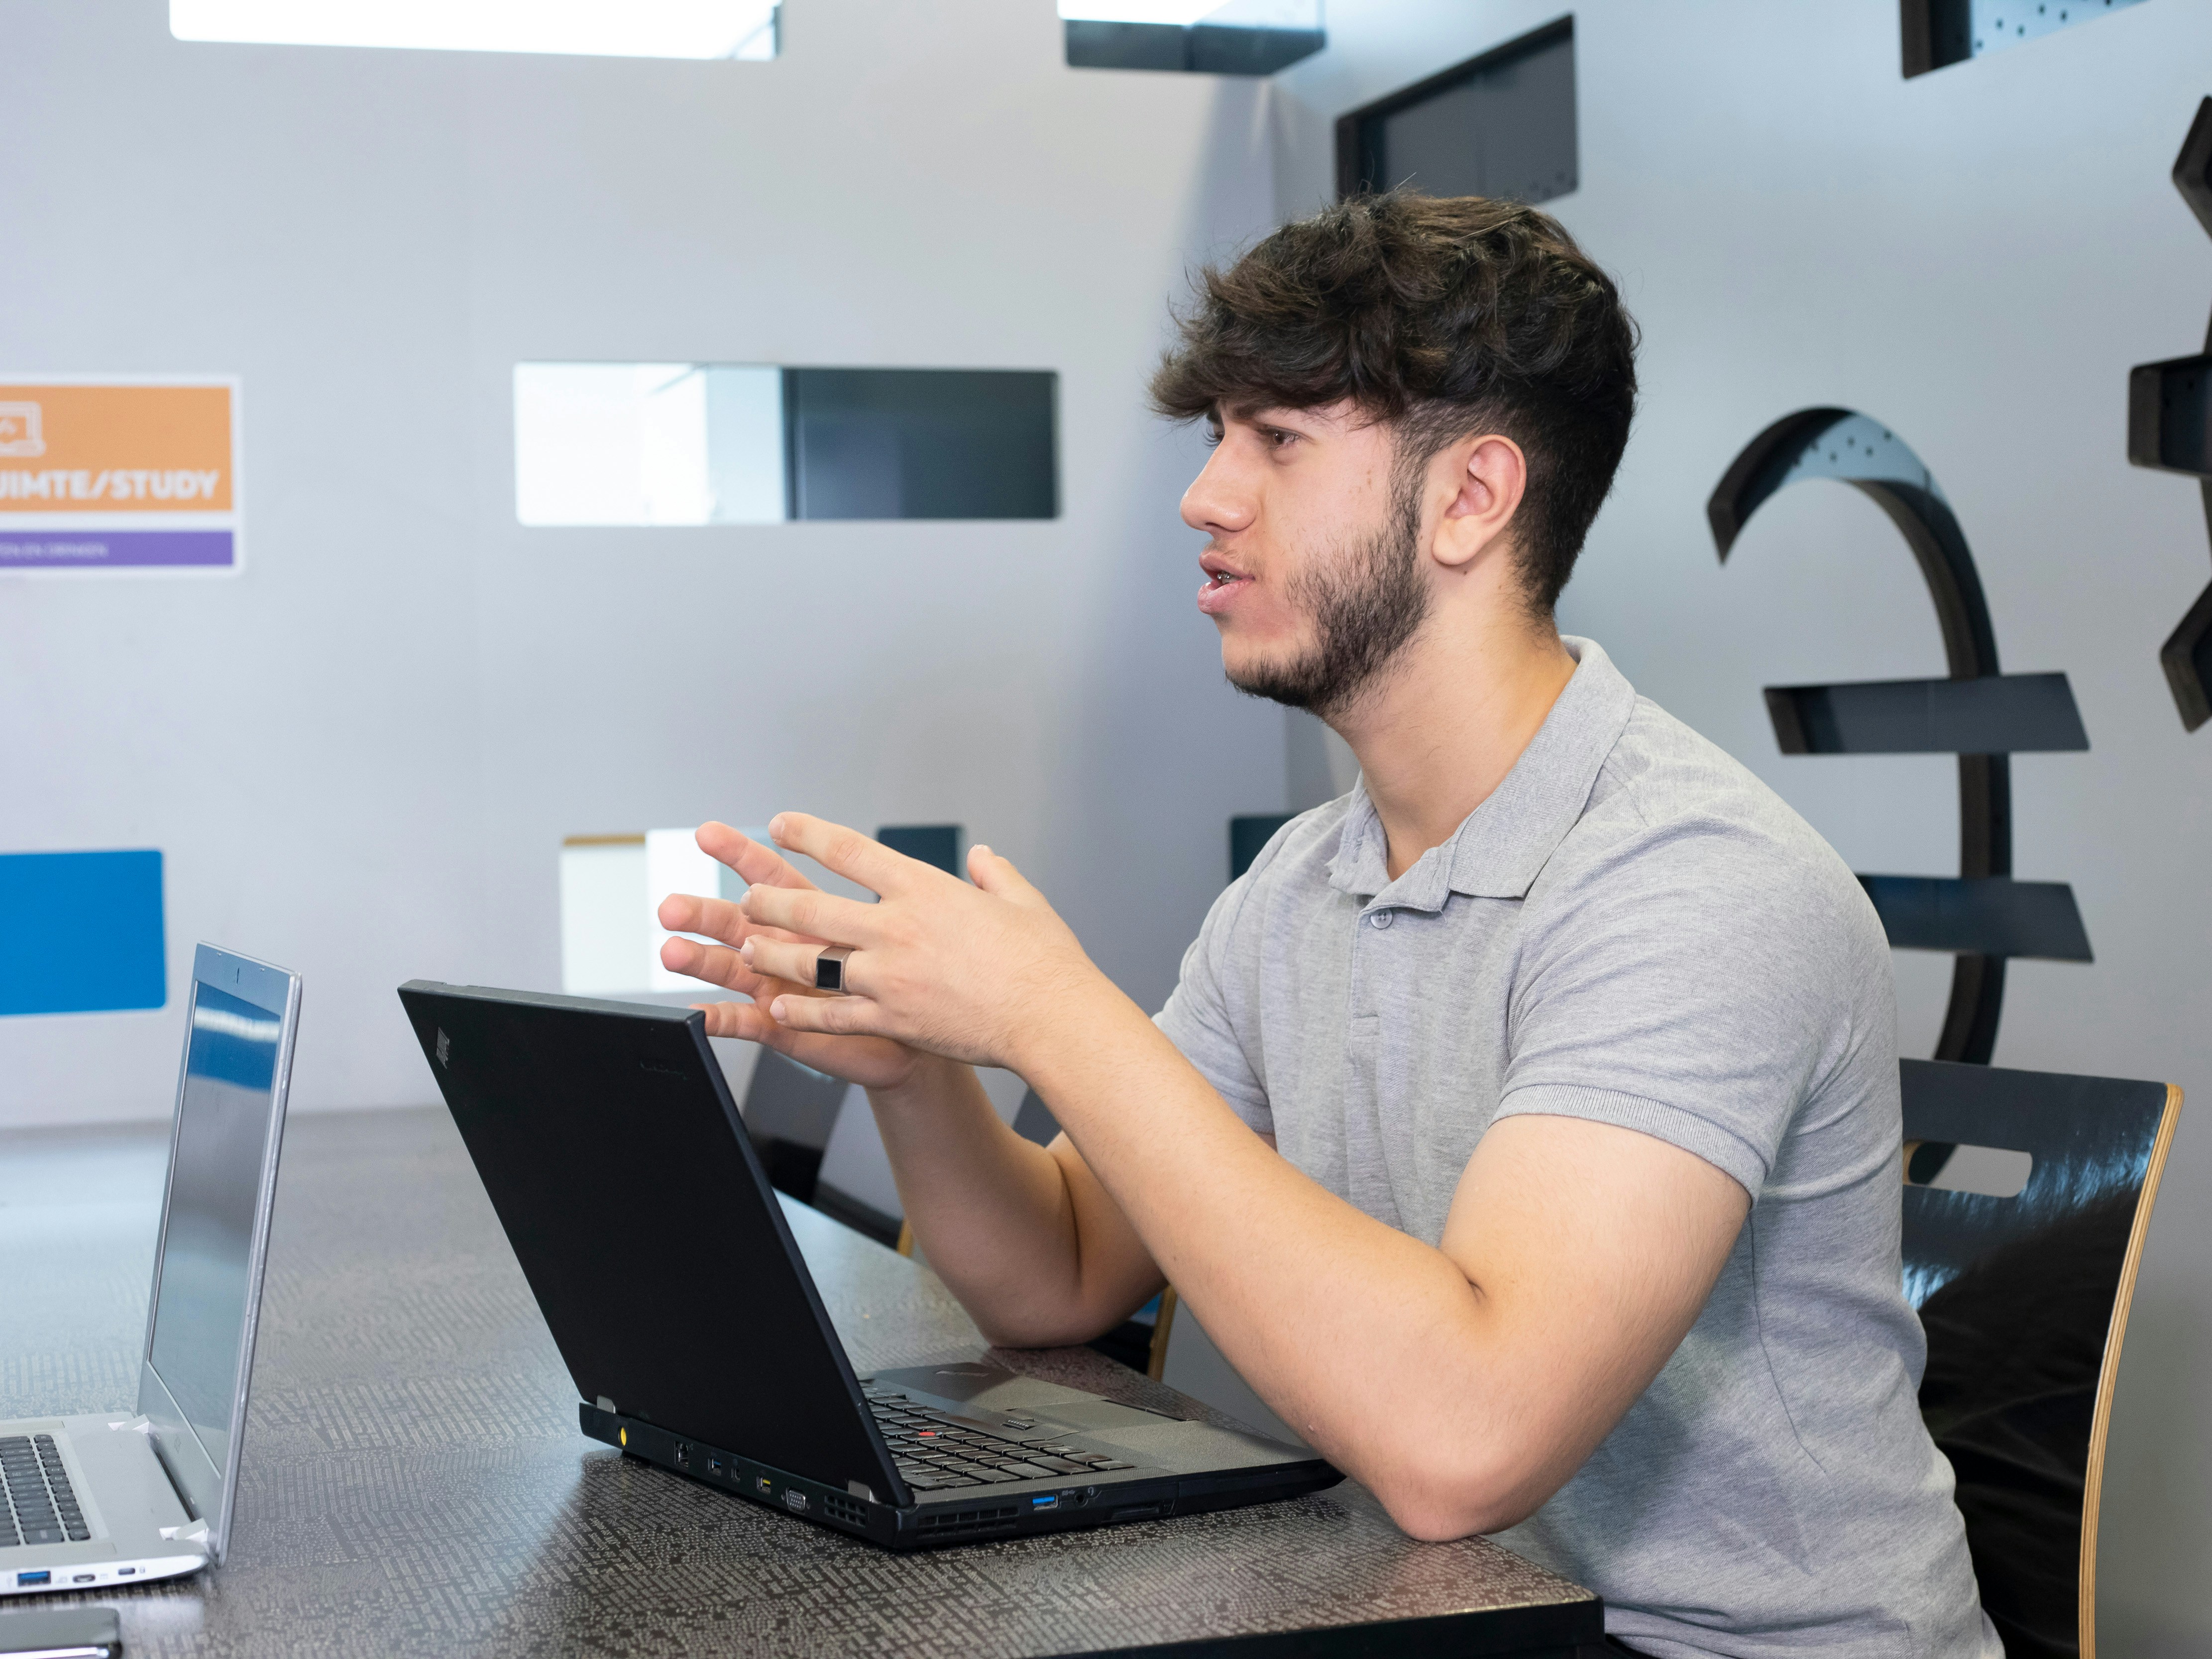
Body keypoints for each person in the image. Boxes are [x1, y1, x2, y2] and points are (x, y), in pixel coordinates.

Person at [657, 191, 1997, 1658]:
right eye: (1218, 436)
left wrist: (1052, 1014)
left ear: (1470, 499)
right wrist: (918, 1070)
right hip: (1436, 1613)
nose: (1206, 496)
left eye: (1279, 442)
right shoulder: (1306, 878)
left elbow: (1461, 1448)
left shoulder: (1697, 882)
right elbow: (1057, 1279)